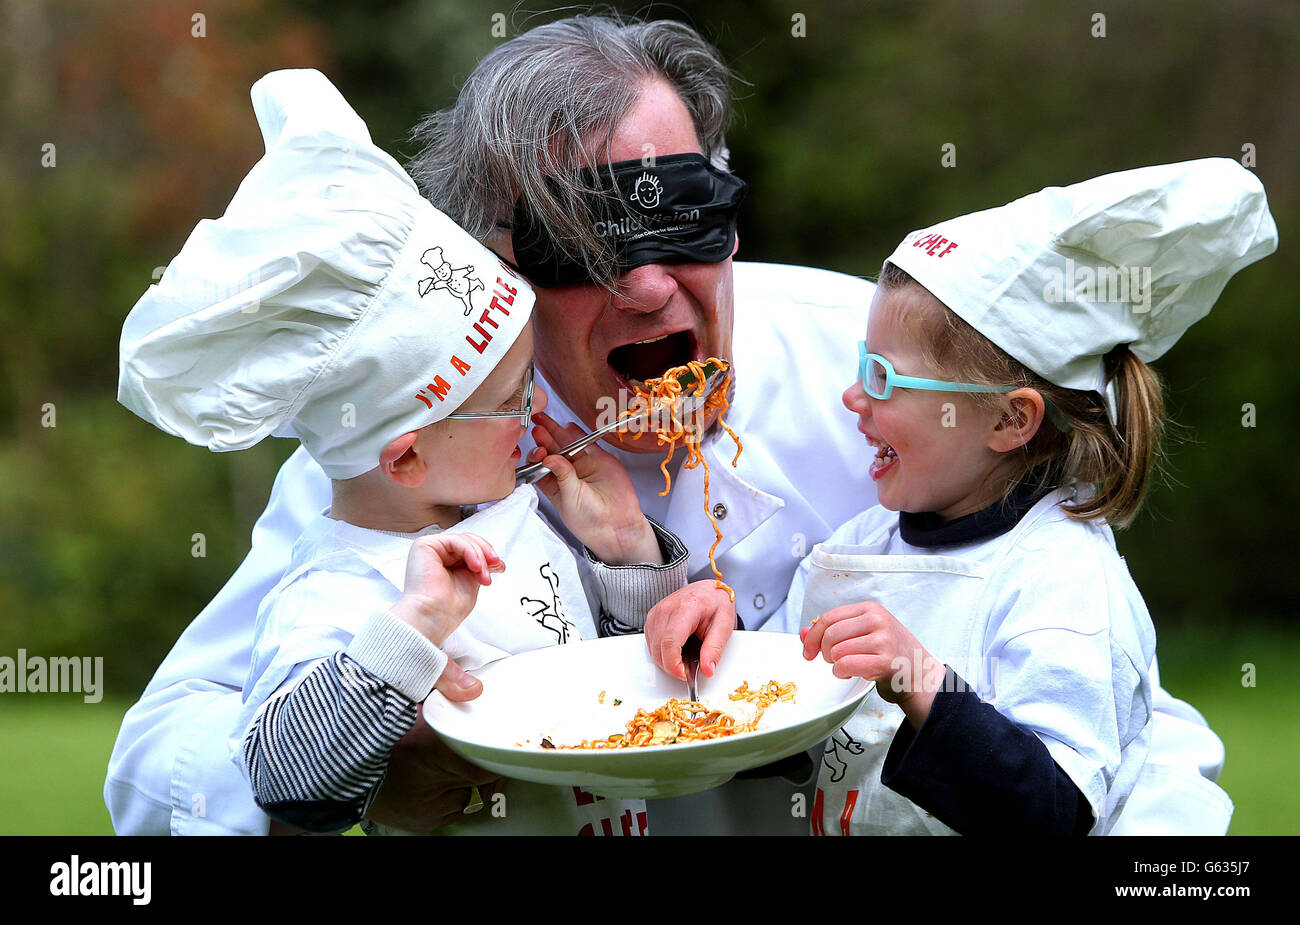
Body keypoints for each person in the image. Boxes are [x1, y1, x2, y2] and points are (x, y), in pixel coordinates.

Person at [105, 13, 1232, 836]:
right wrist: (378, 746)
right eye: (580, 249)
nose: (648, 289)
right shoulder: (403, 454)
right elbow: (160, 761)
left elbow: (1121, 698)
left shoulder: (892, 375)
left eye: (686, 217)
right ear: (489, 264)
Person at [115, 68, 686, 835]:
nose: (538, 409)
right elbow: (287, 779)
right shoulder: (334, 594)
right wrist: (409, 633)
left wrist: (625, 555)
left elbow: (623, 692)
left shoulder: (507, 507)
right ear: (407, 458)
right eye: (509, 399)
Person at [654, 158, 1276, 834]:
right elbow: (771, 723)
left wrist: (920, 677)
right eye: (860, 364)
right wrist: (716, 637)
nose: (852, 397)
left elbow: (1052, 813)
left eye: (884, 377)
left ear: (1010, 420)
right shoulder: (858, 548)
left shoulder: (1064, 583)